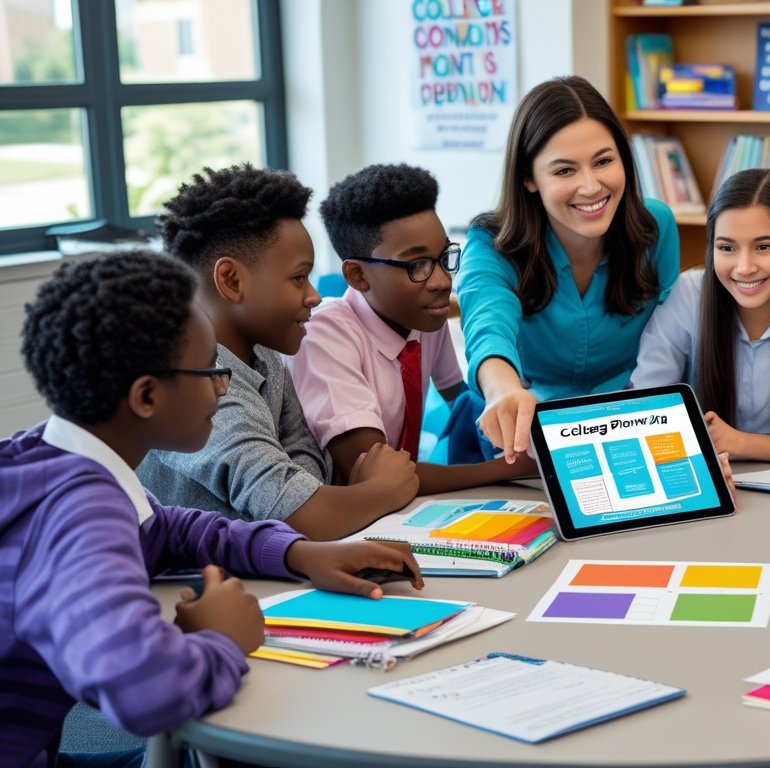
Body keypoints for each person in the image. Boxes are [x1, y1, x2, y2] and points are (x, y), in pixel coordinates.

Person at [1, 251, 423, 768]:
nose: (224, 386)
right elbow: (146, 693)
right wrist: (223, 638)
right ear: (147, 396)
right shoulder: (82, 513)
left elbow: (171, 530)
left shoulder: (45, 460)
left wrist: (300, 554)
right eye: (211, 371)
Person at [138, 164, 418, 541]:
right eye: (299, 277)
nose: (314, 296)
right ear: (231, 280)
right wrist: (381, 490)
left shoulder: (266, 358)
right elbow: (306, 517)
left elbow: (306, 476)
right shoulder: (196, 384)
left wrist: (333, 499)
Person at [457, 75, 680, 465]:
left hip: (627, 437)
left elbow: (675, 337)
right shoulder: (492, 243)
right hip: (520, 444)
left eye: (604, 161)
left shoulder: (655, 228)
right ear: (528, 178)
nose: (591, 186)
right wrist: (503, 390)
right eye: (564, 171)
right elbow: (487, 328)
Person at [288, 163, 534, 497]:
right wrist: (514, 468)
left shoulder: (423, 317)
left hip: (402, 511)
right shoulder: (325, 335)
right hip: (342, 523)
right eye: (416, 265)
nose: (442, 282)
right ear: (358, 276)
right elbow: (376, 475)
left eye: (443, 257)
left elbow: (460, 400)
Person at [630, 168, 770, 468]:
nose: (744, 267)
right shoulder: (687, 294)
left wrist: (740, 442)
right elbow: (644, 414)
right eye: (726, 248)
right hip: (712, 476)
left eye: (764, 247)